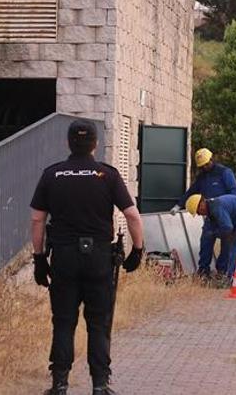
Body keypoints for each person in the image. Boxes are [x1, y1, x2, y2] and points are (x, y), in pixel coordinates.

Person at [30, 120, 145, 395]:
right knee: (98, 322)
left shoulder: (52, 174)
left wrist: (38, 259)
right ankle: (100, 385)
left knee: (64, 321)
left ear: (68, 143)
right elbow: (132, 215)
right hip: (99, 259)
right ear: (95, 144)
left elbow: (37, 219)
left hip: (64, 258)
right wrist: (137, 251)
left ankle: (59, 384)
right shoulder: (107, 175)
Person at [171, 148, 236, 277]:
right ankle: (203, 271)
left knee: (226, 244)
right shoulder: (202, 177)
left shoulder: (224, 173)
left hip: (225, 215)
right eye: (202, 166)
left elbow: (235, 193)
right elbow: (191, 192)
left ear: (211, 159)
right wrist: (178, 205)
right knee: (206, 241)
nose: (205, 167)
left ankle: (222, 271)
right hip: (210, 216)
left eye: (207, 164)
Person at [185, 193, 236, 278]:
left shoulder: (217, 207)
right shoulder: (210, 213)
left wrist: (215, 233)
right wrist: (203, 268)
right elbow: (206, 241)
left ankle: (233, 277)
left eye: (198, 212)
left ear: (202, 204)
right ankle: (211, 271)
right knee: (207, 236)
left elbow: (227, 228)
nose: (199, 214)